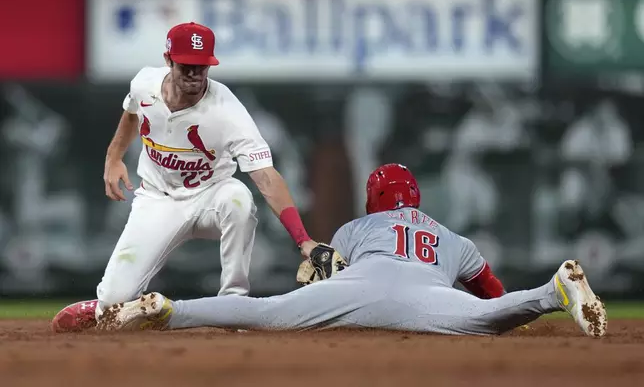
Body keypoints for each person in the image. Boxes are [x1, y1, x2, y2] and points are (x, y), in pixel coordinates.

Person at [94, 164, 607, 337]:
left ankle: (168, 308)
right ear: (417, 200)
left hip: (361, 287)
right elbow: (491, 291)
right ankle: (553, 288)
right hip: (428, 295)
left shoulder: (357, 226)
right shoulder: (456, 240)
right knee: (490, 317)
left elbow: (325, 275)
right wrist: (483, 303)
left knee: (264, 312)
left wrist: (320, 290)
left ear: (374, 198)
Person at [51, 22, 324, 333]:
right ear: (168, 60)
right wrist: (113, 158)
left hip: (211, 196)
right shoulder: (145, 84)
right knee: (113, 305)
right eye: (187, 66)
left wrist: (303, 240)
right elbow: (130, 113)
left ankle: (233, 306)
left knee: (239, 199)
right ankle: (104, 307)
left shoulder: (227, 110)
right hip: (157, 200)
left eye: (202, 66)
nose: (195, 73)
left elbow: (266, 177)